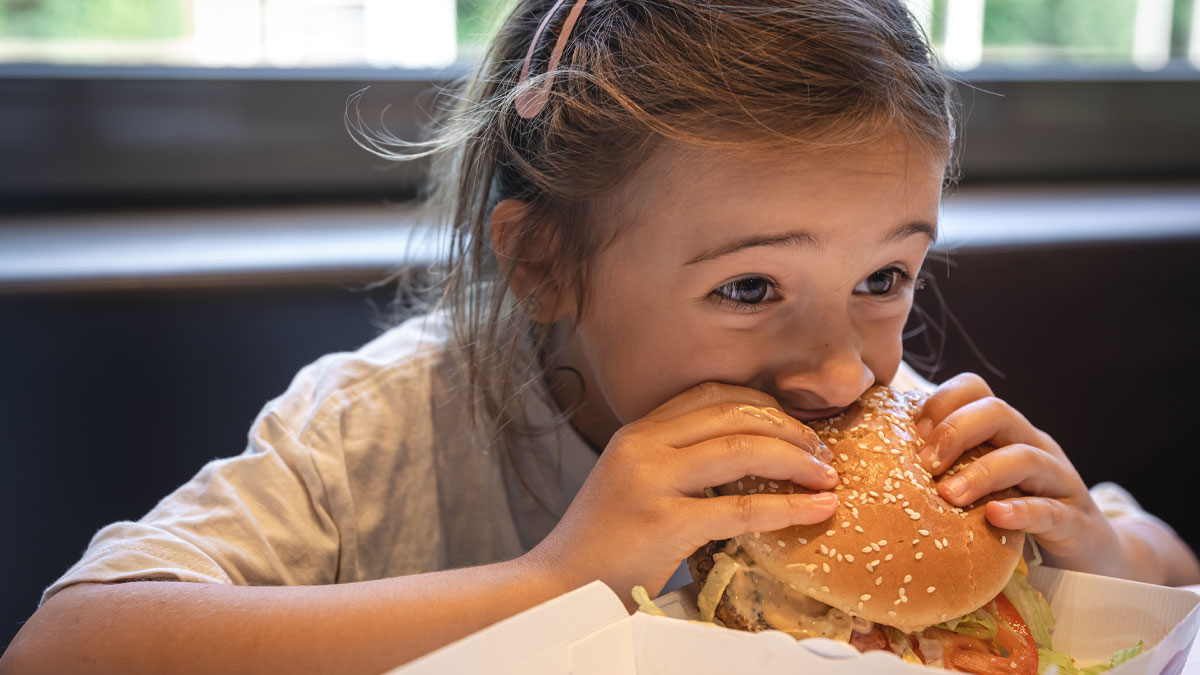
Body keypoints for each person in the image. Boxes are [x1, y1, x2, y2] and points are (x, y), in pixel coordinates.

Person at [4, 0, 1197, 672]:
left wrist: (1098, 553)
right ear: (542, 262)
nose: (841, 366)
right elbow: (65, 649)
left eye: (885, 275)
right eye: (748, 289)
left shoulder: (889, 429)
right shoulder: (388, 425)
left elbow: (1169, 566)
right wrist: (558, 580)